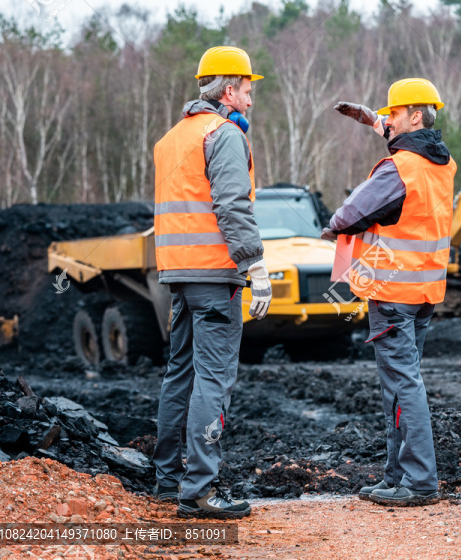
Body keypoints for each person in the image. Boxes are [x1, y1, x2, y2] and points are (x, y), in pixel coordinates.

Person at [152, 46, 272, 520]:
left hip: (178, 273)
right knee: (214, 378)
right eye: (247, 90)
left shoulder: (171, 139)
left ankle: (167, 481)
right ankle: (199, 490)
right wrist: (255, 266)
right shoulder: (222, 135)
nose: (250, 99)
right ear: (228, 90)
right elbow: (231, 206)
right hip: (214, 273)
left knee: (179, 372)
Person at [324, 78, 456, 507]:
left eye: (394, 114)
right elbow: (396, 133)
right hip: (424, 292)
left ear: (414, 116)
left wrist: (333, 226)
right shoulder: (441, 162)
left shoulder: (398, 168)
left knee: (404, 384)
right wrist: (368, 117)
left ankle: (418, 481)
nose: (388, 121)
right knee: (399, 384)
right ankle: (397, 475)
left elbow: (350, 214)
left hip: (392, 292)